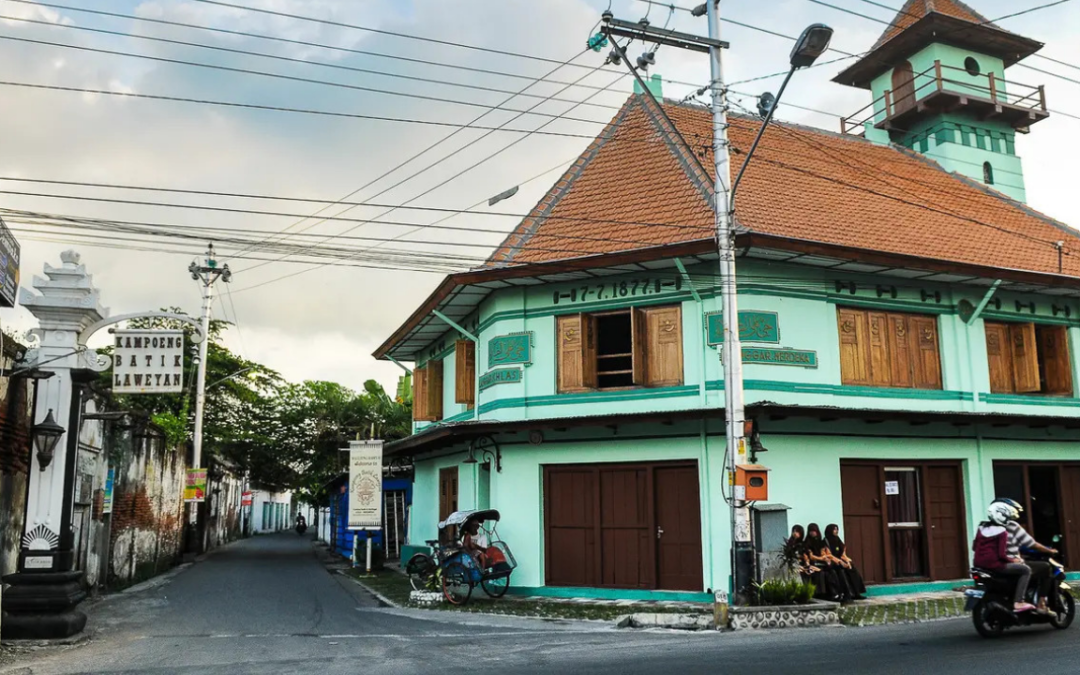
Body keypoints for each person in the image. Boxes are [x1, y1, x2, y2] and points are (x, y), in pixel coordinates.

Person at [994, 498, 1059, 613]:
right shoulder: (1012, 525)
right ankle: (1040, 603)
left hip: (991, 564)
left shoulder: (986, 526)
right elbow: (1031, 544)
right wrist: (1049, 551)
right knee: (1045, 567)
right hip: (1009, 563)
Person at [976, 500, 1035, 613]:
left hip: (979, 564)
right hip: (995, 565)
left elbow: (975, 547)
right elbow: (1001, 555)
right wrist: (1014, 560)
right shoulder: (1002, 531)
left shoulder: (981, 528)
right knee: (1026, 570)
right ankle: (1019, 601)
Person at [805, 523, 848, 601]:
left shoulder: (820, 542)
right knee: (826, 573)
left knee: (834, 572)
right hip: (813, 563)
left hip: (822, 563)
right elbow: (811, 556)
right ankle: (833, 593)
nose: (812, 533)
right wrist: (823, 558)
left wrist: (825, 558)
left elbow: (823, 553)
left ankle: (840, 593)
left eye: (814, 531)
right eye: (811, 531)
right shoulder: (807, 543)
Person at [824, 524, 867, 600]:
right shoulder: (826, 541)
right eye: (834, 529)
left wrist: (847, 561)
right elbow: (829, 555)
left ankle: (856, 592)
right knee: (841, 572)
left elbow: (843, 553)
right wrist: (840, 562)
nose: (836, 531)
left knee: (853, 570)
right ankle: (847, 593)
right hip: (834, 562)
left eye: (837, 529)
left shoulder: (838, 540)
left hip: (841, 560)